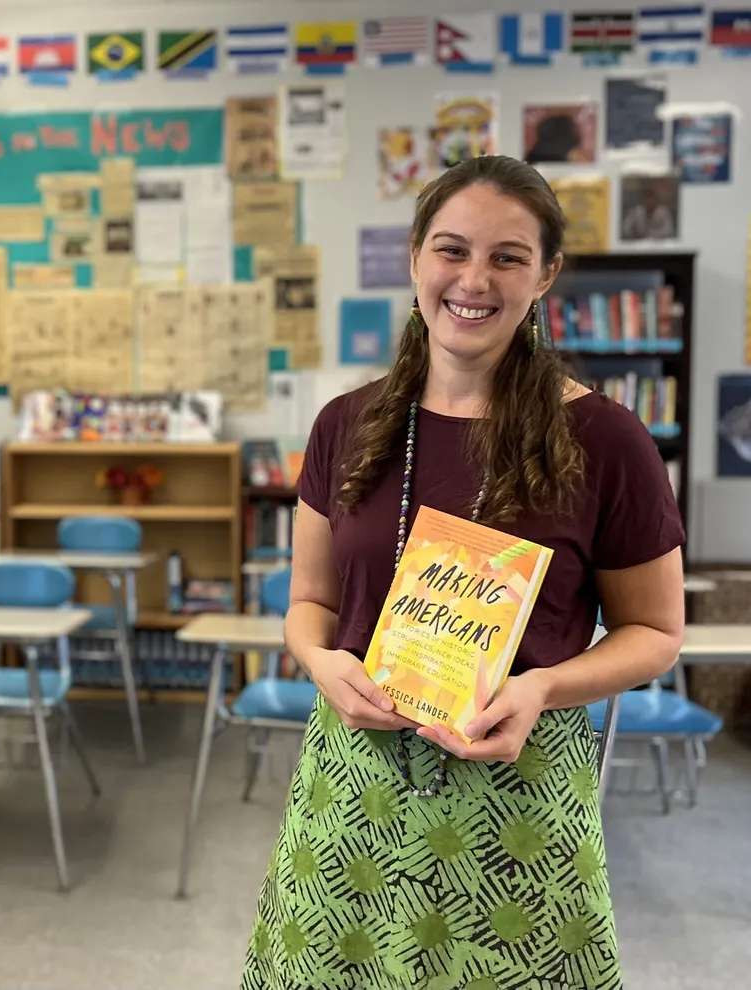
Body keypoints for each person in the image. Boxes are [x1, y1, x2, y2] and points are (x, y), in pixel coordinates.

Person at [241, 155, 685, 990]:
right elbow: (311, 600)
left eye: (508, 257)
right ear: (415, 258)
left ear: (545, 274)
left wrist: (542, 689)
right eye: (451, 250)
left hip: (515, 791)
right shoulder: (347, 424)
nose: (473, 280)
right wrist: (322, 662)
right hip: (355, 785)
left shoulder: (608, 441)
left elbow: (656, 633)